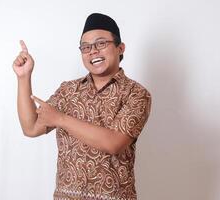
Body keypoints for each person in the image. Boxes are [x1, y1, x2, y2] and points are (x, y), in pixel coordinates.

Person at [13, 13, 151, 200]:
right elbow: (31, 128)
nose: (92, 51)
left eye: (101, 44)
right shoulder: (68, 90)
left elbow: (113, 143)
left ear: (120, 48)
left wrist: (60, 119)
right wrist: (23, 77)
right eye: (86, 47)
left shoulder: (136, 94)